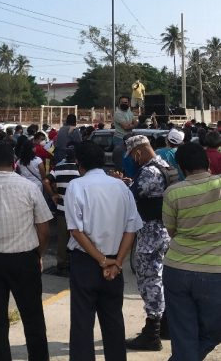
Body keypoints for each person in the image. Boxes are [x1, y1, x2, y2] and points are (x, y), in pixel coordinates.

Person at [0, 142, 52, 361]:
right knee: (32, 316)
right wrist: (38, 255)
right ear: (14, 162)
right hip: (25, 259)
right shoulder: (29, 187)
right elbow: (44, 230)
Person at [65, 141, 143, 361]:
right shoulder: (120, 187)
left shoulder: (77, 186)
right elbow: (131, 229)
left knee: (82, 324)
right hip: (114, 263)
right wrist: (117, 262)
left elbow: (76, 231)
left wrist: (101, 260)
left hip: (86, 262)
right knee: (113, 323)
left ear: (79, 163)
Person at [162, 143, 221, 360]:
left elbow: (171, 230)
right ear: (207, 163)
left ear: (181, 167)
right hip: (215, 272)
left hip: (177, 269)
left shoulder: (173, 193)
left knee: (183, 334)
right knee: (213, 331)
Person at [122, 136, 173, 351]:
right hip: (165, 231)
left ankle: (151, 334)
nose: (133, 160)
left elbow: (130, 197)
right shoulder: (164, 165)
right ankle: (165, 325)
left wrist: (122, 185)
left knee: (149, 280)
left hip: (151, 234)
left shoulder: (149, 172)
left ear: (139, 152)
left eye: (133, 156)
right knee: (161, 278)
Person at [44, 145, 80, 276]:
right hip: (77, 210)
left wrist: (53, 195)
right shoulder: (79, 170)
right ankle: (75, 262)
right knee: (77, 237)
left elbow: (46, 181)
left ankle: (62, 263)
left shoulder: (58, 169)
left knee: (62, 238)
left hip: (61, 209)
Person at [113, 96, 137, 172]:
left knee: (129, 161)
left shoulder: (129, 111)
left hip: (129, 139)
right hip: (120, 139)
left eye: (126, 102)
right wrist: (131, 124)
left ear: (129, 103)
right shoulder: (118, 113)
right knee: (121, 162)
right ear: (119, 103)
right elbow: (125, 127)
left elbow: (136, 123)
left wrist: (130, 125)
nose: (124, 104)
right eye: (122, 102)